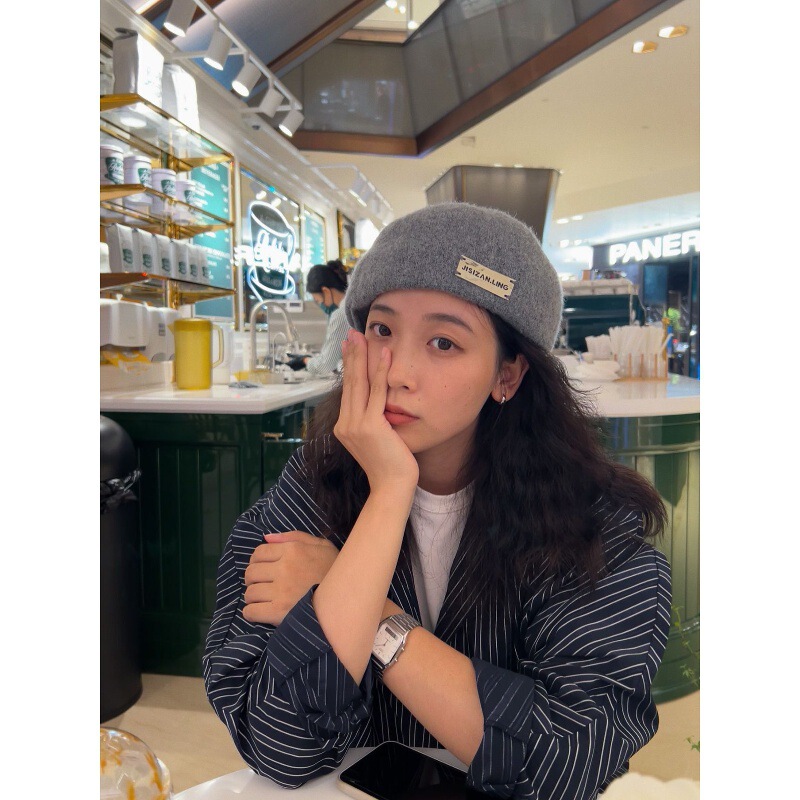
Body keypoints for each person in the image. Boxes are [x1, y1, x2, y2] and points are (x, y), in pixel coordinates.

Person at [203, 203, 671, 798]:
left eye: (444, 342)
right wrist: (389, 492)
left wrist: (371, 614)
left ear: (507, 375)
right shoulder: (310, 491)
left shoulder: (592, 522)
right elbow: (280, 745)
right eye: (382, 330)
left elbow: (567, 760)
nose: (397, 372)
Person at [286, 259, 349, 377]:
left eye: (317, 300)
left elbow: (325, 365)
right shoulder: (351, 306)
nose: (321, 305)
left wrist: (305, 360)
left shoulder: (341, 314)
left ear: (326, 291)